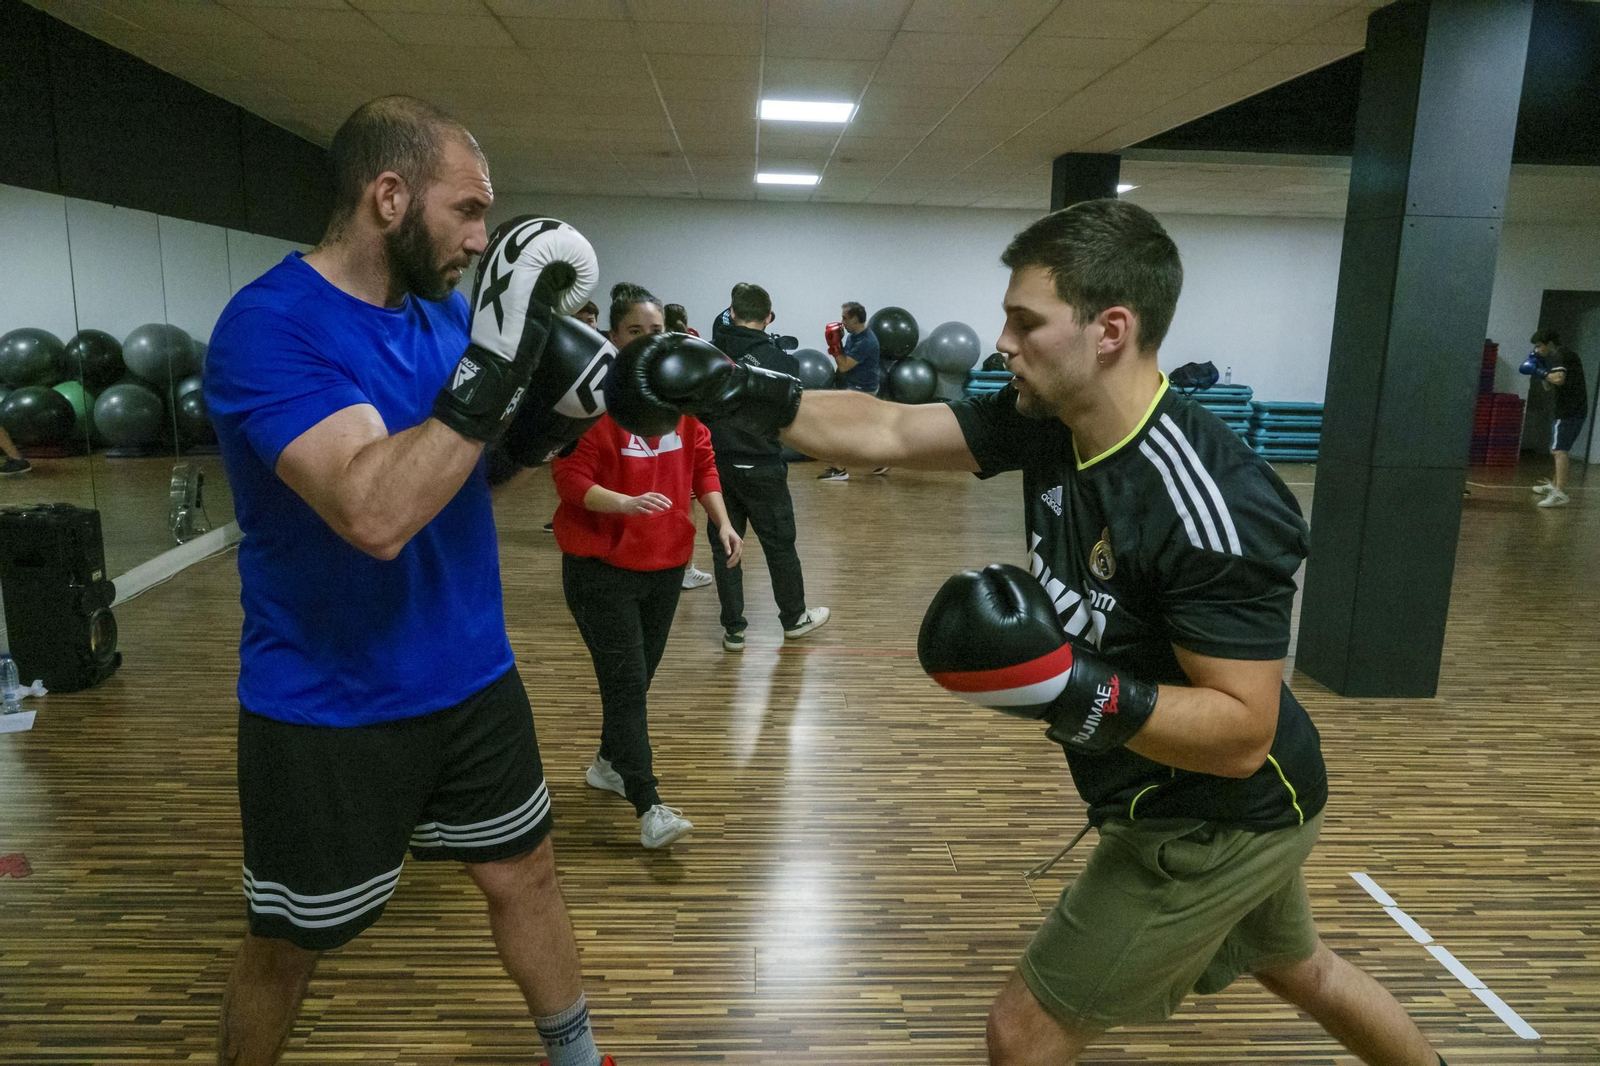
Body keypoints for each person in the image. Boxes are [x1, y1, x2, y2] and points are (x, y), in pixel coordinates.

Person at [605, 199, 1451, 1066]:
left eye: (1024, 320)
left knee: (1024, 1032)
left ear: (1109, 329)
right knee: (1302, 970)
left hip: (1215, 813)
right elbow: (890, 428)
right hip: (1195, 791)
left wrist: (1063, 687)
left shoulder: (1210, 505)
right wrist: (733, 390)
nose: (1001, 340)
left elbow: (1241, 734)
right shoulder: (1049, 421)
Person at [205, 96, 615, 1066]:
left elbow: (457, 478)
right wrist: (496, 366)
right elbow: (375, 513)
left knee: (529, 873)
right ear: (389, 197)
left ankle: (579, 1056)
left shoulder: (436, 322)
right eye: (468, 210)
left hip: (471, 676)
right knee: (289, 945)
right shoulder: (271, 328)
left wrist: (542, 427)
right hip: (327, 702)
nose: (481, 237)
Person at [551, 402, 739, 847]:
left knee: (639, 676)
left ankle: (607, 765)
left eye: (654, 327)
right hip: (599, 570)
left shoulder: (688, 415)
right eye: (635, 327)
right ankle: (648, 804)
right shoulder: (592, 413)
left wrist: (724, 522)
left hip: (665, 565)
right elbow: (570, 480)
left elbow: (704, 468)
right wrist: (624, 503)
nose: (647, 335)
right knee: (629, 682)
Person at [705, 283, 829, 651]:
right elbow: (789, 419)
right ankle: (793, 619)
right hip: (762, 467)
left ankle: (734, 631)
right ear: (768, 316)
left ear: (732, 312)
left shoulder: (712, 355)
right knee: (780, 546)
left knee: (727, 546)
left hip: (719, 466)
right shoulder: (783, 363)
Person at [816, 301, 887, 481]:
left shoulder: (866, 341)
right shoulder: (854, 336)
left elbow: (844, 366)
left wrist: (834, 346)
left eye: (845, 318)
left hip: (862, 391)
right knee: (862, 429)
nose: (842, 321)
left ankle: (839, 469)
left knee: (841, 427)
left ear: (855, 319)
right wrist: (838, 343)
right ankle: (882, 460)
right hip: (858, 387)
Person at [1526, 328, 1588, 507]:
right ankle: (1554, 485)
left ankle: (1560, 493)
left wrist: (1541, 373)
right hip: (1571, 409)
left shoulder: (1560, 355)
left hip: (1569, 410)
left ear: (1550, 344)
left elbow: (1559, 378)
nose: (1537, 350)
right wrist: (1542, 371)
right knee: (1560, 449)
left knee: (1558, 450)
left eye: (1539, 346)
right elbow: (1549, 386)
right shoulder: (1560, 356)